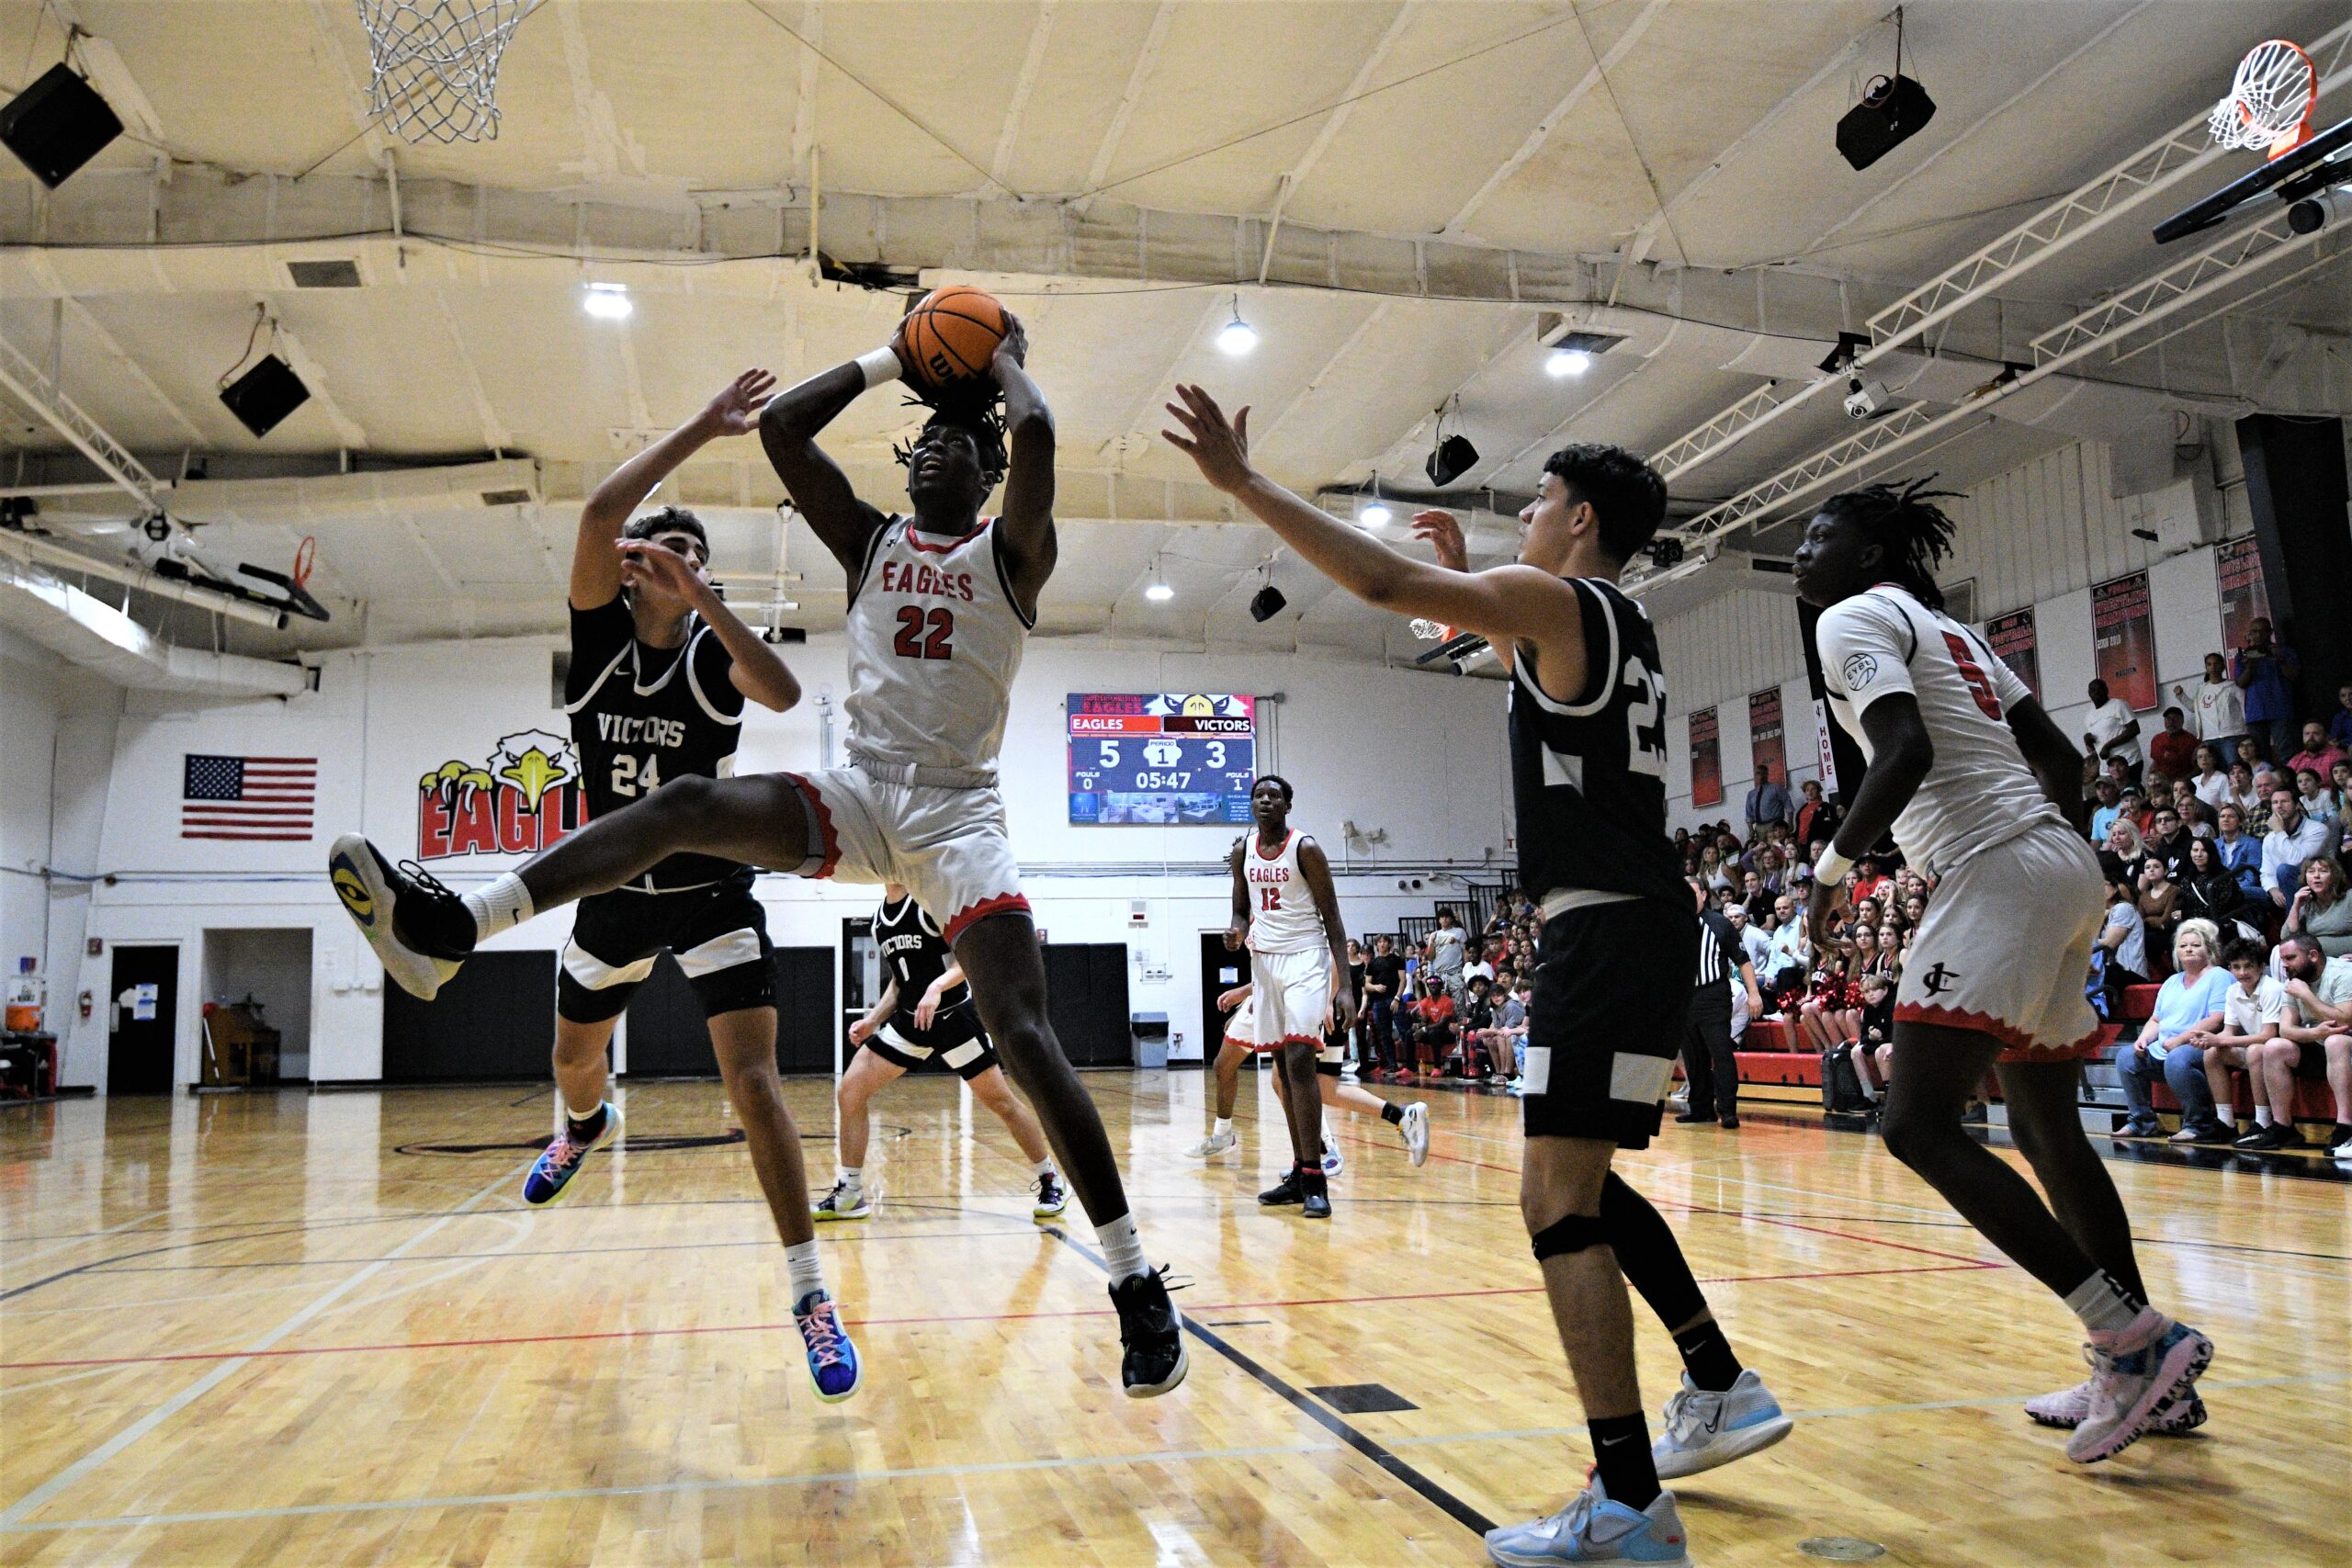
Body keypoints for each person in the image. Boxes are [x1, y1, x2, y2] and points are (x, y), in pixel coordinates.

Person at [330, 311, 1189, 1397]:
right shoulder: (869, 540)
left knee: (1021, 1028)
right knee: (686, 800)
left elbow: (1045, 439)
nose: (936, 448)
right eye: (924, 438)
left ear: (986, 477)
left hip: (958, 819)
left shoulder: (1013, 555)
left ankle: (1130, 1282)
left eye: (960, 446)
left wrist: (997, 361)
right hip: (864, 792)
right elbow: (784, 429)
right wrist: (896, 354)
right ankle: (459, 926)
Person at [1165, 389, 1790, 1563]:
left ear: (1580, 516)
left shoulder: (1562, 600)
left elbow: (1389, 592)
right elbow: (1540, 681)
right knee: (1583, 1188)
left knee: (1553, 1202)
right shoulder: (1616, 623)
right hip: (1635, 922)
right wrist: (1487, 609)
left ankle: (1628, 1501)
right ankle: (1715, 1380)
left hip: (1604, 930)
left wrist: (1247, 486)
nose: (1530, 514)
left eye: (1542, 499)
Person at [424, 368, 859, 1402]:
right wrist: (705, 425)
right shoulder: (596, 644)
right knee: (573, 1061)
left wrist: (703, 593)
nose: (682, 562)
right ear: (628, 569)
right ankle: (583, 1126)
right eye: (665, 553)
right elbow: (595, 510)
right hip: (614, 895)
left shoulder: (714, 657)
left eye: (698, 556)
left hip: (712, 898)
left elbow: (788, 689)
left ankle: (809, 1295)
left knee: (754, 1088)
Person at [1793, 476, 2211, 1462]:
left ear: (1865, 557)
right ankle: (2143, 1377)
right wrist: (2054, 870)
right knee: (2046, 1129)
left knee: (1913, 1124)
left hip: (1995, 865)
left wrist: (1829, 873)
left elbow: (1901, 749)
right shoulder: (1955, 632)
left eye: (1819, 535)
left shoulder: (1851, 616)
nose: (1801, 551)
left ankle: (2132, 1339)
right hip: (2059, 863)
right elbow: (2061, 762)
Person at [821, 886, 1067, 1224]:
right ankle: (850, 1193)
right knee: (850, 1090)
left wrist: (936, 988)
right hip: (909, 1023)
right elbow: (898, 980)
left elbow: (969, 960)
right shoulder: (880, 919)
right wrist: (873, 1020)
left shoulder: (929, 904)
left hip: (954, 1019)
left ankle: (1051, 1178)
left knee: (1001, 1102)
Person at [1227, 776, 1360, 1218]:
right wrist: (1236, 931)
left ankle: (1317, 1177)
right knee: (1282, 1069)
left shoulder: (1306, 849)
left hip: (1306, 958)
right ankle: (1301, 1173)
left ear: (1288, 804)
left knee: (1301, 1060)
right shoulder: (1242, 850)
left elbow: (1333, 918)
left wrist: (1346, 985)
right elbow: (1240, 909)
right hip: (1264, 963)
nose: (1265, 801)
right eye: (1258, 795)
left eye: (1274, 795)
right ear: (1251, 804)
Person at [1204, 979, 1430, 1179]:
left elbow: (1326, 952)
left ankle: (1327, 1149)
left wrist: (1329, 1001)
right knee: (1306, 1084)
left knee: (1302, 1083)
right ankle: (1400, 1116)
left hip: (1324, 1001)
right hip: (1320, 998)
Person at [2111, 919, 2231, 1140]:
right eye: (2183, 945)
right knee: (2126, 1057)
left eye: (2196, 945)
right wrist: (2144, 1039)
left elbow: (2217, 1019)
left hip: (2201, 1045)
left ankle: (2198, 1124)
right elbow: (2156, 1020)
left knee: (2178, 1058)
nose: (2188, 949)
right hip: (2165, 1046)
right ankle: (2141, 1121)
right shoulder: (2172, 982)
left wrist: (2181, 1040)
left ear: (2209, 949)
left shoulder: (2220, 976)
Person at [2185, 940, 2295, 1149]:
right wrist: (2208, 1039)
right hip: (2253, 1047)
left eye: (2248, 966)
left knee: (2255, 1050)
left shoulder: (2272, 989)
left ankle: (2263, 1121)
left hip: (2274, 1051)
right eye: (2236, 967)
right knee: (2212, 1053)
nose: (2242, 972)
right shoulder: (2233, 990)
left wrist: (2220, 1039)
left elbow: (2269, 1035)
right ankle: (2225, 1122)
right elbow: (2228, 1032)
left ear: (2262, 967)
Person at [1679, 878, 1764, 1130]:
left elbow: (1743, 960)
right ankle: (1701, 1109)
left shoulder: (1719, 924)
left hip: (1714, 996)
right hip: (1685, 999)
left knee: (1721, 1053)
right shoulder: (1674, 924)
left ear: (1704, 894)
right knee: (1693, 1058)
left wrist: (1754, 994)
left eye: (1692, 892)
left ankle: (1727, 1110)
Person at [2271, 934, 2352, 1156]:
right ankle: (2283, 1127)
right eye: (2283, 960)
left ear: (2313, 956)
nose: (2285, 965)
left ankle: (2345, 1127)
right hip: (2316, 1040)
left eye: (2290, 958)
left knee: (2335, 1041)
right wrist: (2316, 1032)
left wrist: (2307, 996)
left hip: (2345, 1044)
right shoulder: (2294, 981)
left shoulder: (2343, 974)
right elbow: (2286, 1029)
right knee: (2274, 1047)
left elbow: (2345, 1020)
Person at [2231, 617, 2300, 762]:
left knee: (2286, 752)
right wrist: (2250, 665)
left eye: (2263, 631)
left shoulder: (2285, 652)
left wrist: (2280, 659)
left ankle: (2290, 783)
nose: (2258, 635)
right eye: (2254, 631)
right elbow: (2241, 683)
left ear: (2270, 632)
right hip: (2255, 713)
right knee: (2260, 756)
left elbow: (2293, 675)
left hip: (2280, 710)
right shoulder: (2244, 656)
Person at [2261, 787, 2331, 910]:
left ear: (2297, 805)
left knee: (2284, 870)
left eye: (2284, 801)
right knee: (2244, 893)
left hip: (2312, 888)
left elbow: (2296, 861)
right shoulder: (2269, 838)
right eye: (2275, 803)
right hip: (2280, 892)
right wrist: (2273, 890)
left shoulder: (2318, 830)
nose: (2279, 806)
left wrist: (2279, 831)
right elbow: (2267, 872)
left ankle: (2293, 927)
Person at [2172, 653, 2247, 759]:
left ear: (2223, 666)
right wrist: (2181, 695)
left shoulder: (2233, 686)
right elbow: (2194, 708)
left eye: (2216, 664)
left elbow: (2245, 708)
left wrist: (2247, 731)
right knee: (2215, 771)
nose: (2213, 667)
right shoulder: (2202, 689)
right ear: (2206, 668)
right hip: (2209, 738)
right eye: (2209, 664)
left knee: (2233, 767)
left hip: (2232, 735)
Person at [2174, 834, 2248, 937]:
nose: (2198, 854)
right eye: (2195, 850)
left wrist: (2186, 914)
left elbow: (2220, 909)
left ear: (2211, 853)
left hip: (2220, 927)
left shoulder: (2223, 877)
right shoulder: (2187, 878)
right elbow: (2181, 902)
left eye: (2203, 850)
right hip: (2192, 925)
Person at [2282, 855, 2352, 960]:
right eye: (2311, 872)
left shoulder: (2349, 897)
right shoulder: (2306, 903)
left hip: (2346, 959)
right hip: (2318, 961)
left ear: (2334, 876)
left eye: (2323, 871)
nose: (2316, 876)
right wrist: (2295, 906)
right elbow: (2286, 936)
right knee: (2279, 952)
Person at [2081, 678, 2144, 787]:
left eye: (2099, 689)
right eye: (2093, 690)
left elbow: (2134, 729)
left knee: (2129, 796)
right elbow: (2092, 749)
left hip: (2129, 762)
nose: (2096, 692)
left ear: (2106, 690)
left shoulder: (2118, 705)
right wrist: (2088, 741)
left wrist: (2108, 746)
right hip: (2106, 769)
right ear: (2089, 694)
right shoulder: (2089, 716)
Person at [1360, 934, 1406, 1081]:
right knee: (1384, 1034)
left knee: (1404, 1031)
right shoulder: (1372, 964)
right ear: (1377, 945)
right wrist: (1375, 987)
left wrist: (1397, 998)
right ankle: (1392, 1064)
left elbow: (1403, 980)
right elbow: (1366, 984)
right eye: (1380, 942)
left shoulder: (1396, 960)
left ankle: (1409, 1063)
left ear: (1389, 944)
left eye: (1385, 941)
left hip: (1394, 999)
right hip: (1379, 1001)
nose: (1382, 944)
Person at [2145, 707, 2197, 787]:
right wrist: (2149, 779)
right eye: (2168, 719)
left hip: (2182, 785)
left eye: (2175, 719)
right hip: (2160, 785)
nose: (2171, 722)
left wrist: (2183, 781)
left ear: (2182, 721)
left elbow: (2198, 768)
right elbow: (2155, 762)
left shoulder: (2191, 741)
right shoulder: (2157, 739)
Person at [2287, 721, 2346, 785]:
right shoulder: (2296, 760)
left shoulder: (2337, 756)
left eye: (2316, 733)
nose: (2310, 737)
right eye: (2307, 734)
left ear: (2326, 737)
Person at [1744, 763, 1791, 838]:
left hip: (1775, 825)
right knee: (1762, 848)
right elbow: (1748, 814)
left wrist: (1790, 823)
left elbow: (1788, 806)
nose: (1761, 776)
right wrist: (1750, 829)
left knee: (1776, 847)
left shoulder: (1776, 788)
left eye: (1763, 773)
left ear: (1767, 774)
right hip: (1759, 828)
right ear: (1755, 775)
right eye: (1758, 773)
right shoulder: (1751, 794)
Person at [2188, 744, 2232, 812]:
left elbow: (2226, 803)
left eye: (2208, 756)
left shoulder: (2222, 778)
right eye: (2200, 757)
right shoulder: (2194, 780)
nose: (2204, 759)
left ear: (2214, 759)